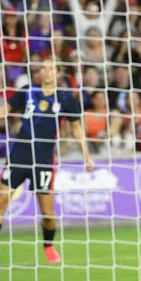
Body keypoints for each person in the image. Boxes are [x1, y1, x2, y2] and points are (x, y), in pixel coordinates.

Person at [0, 57, 95, 263]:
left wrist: (87, 156)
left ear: (58, 73)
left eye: (51, 68)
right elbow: (5, 110)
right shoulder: (27, 91)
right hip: (18, 156)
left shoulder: (66, 98)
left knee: (47, 212)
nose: (46, 71)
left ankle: (48, 245)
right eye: (43, 68)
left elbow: (77, 129)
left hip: (43, 160)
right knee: (1, 200)